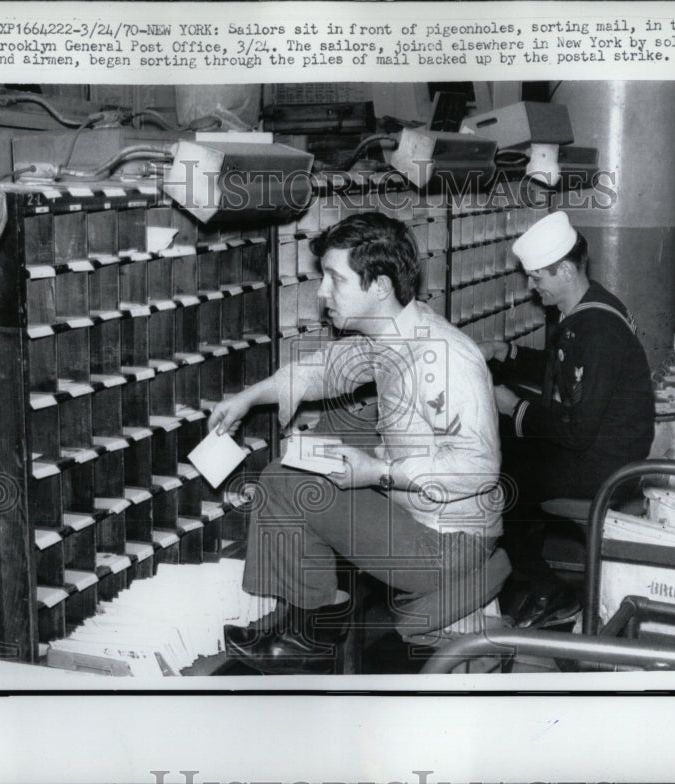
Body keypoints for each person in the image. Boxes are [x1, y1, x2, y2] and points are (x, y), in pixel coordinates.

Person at [208, 212, 503, 674]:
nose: (322, 292)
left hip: (451, 546)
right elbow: (323, 369)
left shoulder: (443, 359)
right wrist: (250, 397)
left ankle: (307, 633)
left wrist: (377, 471)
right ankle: (316, 611)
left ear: (379, 285)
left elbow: (479, 467)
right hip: (426, 521)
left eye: (334, 278)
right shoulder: (396, 333)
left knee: (284, 481)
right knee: (319, 444)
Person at [477, 211, 655, 629]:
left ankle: (547, 590)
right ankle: (539, 586)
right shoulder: (587, 306)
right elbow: (568, 368)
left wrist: (514, 409)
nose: (531, 287)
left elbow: (576, 428)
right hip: (604, 443)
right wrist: (510, 353)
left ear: (566, 269)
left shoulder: (596, 329)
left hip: (605, 461)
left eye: (538, 277)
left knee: (500, 484)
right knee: (514, 453)